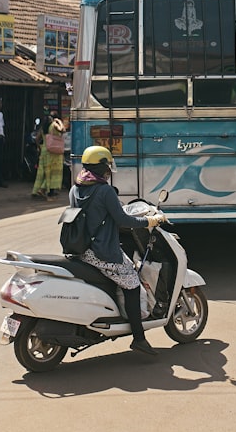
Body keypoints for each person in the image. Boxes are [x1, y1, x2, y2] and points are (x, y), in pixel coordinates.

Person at [71, 145, 166, 356]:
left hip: (82, 250)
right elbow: (123, 219)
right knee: (132, 284)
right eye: (107, 165)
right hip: (103, 253)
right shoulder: (104, 190)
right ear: (102, 166)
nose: (108, 170)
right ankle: (139, 338)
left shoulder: (76, 187)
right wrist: (150, 220)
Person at [32, 112, 66, 199]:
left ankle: (37, 190)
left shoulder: (44, 127)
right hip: (54, 151)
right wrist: (59, 122)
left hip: (45, 150)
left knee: (43, 172)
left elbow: (37, 139)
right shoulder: (54, 125)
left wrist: (40, 147)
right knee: (53, 172)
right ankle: (46, 190)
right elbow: (63, 130)